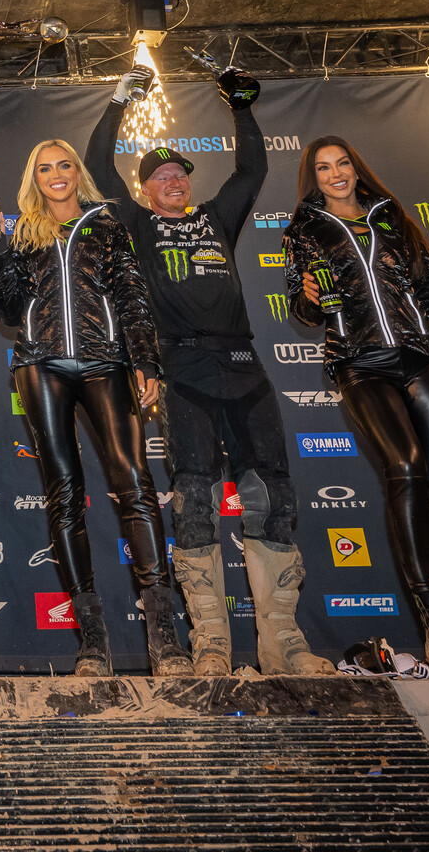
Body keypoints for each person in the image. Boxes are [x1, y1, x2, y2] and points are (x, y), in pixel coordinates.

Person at [83, 65, 328, 676]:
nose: (174, 181)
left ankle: (283, 642)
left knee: (272, 492)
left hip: (243, 363)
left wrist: (241, 109)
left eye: (180, 174)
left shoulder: (216, 217)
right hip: (182, 366)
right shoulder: (135, 225)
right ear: (145, 190)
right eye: (162, 176)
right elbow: (96, 165)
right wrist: (118, 102)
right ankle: (211, 643)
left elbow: (253, 171)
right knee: (192, 497)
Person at [283, 137, 429, 678]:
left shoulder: (394, 220)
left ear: (358, 169)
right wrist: (307, 296)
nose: (336, 174)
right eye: (323, 168)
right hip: (359, 364)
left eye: (343, 164)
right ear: (312, 178)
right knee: (403, 469)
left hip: (423, 358)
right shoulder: (303, 230)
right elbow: (301, 306)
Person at [0, 140, 187, 675]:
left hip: (106, 362)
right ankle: (91, 640)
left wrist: (146, 362)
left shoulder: (109, 226)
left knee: (135, 483)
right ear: (34, 178)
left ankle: (164, 634)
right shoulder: (23, 232)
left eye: (63, 165)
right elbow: (7, 308)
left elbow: (132, 298)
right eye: (44, 168)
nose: (56, 175)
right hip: (39, 365)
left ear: (77, 172)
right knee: (64, 492)